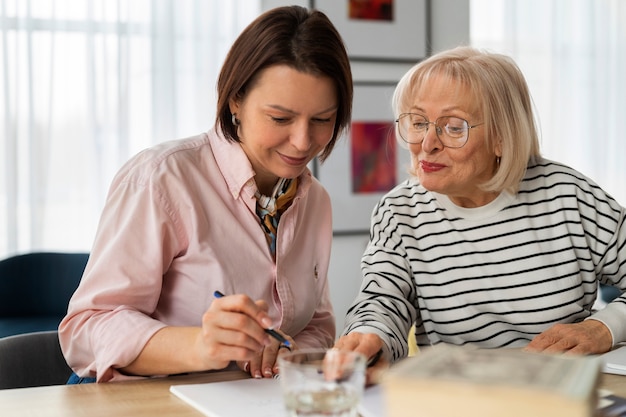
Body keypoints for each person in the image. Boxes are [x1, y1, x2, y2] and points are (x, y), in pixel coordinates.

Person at [59, 5, 353, 383]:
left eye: (322, 120)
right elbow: (85, 329)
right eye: (280, 118)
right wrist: (200, 345)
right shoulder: (162, 179)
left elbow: (317, 323)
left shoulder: (315, 201)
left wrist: (286, 350)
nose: (301, 142)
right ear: (235, 101)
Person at [335, 46, 626, 383]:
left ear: (502, 137)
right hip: (461, 396)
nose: (427, 143)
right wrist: (372, 338)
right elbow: (382, 300)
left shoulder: (569, 197)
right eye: (417, 122)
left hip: (561, 392)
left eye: (453, 127)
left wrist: (603, 328)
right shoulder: (399, 213)